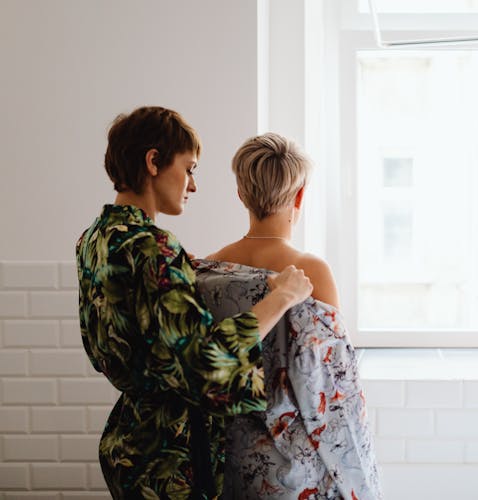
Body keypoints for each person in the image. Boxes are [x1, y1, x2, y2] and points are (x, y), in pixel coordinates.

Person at [76, 107, 313, 499]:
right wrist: (282, 296)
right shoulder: (153, 248)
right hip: (169, 458)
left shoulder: (94, 239)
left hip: (126, 440)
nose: (193, 185)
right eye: (190, 168)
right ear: (153, 161)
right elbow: (204, 362)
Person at [195, 132, 381, 499]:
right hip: (298, 474)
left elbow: (210, 372)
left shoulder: (206, 274)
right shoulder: (312, 272)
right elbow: (331, 391)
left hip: (228, 469)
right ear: (300, 195)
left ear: (241, 194)